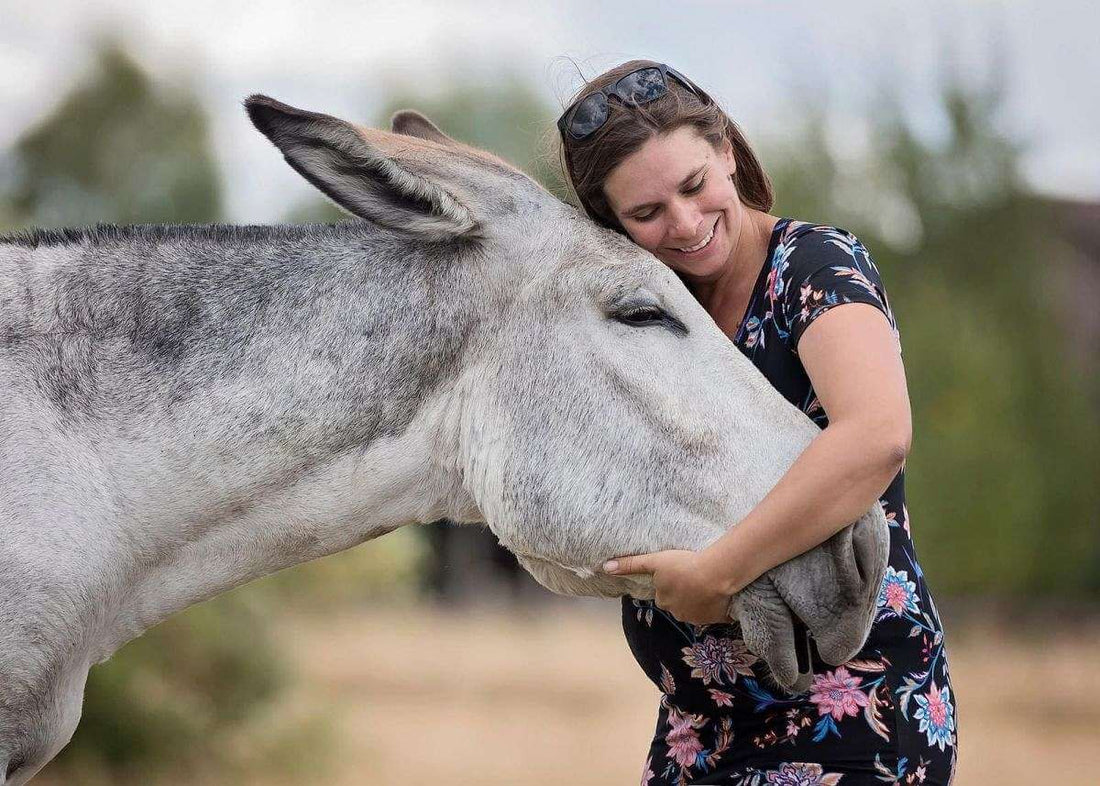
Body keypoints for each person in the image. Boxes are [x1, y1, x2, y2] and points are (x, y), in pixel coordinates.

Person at [556, 61, 957, 785]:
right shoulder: (652, 313)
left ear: (727, 152)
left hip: (848, 708)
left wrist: (718, 572)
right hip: (698, 730)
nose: (683, 223)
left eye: (693, 185)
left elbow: (877, 434)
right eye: (645, 214)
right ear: (611, 223)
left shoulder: (812, 265)